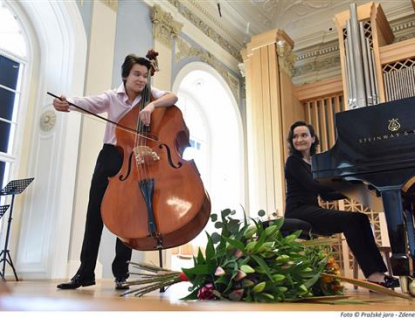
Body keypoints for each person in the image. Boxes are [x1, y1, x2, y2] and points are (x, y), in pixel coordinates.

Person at [53, 54, 178, 290]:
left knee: (128, 217)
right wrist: (66, 102)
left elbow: (173, 97)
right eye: (137, 74)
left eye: (145, 75)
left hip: (136, 160)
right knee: (95, 212)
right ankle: (85, 272)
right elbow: (87, 103)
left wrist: (151, 105)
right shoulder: (112, 97)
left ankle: (121, 273)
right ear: (125, 75)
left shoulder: (150, 96)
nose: (142, 79)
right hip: (111, 156)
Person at [284, 120, 399, 288]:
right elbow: (313, 186)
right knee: (351, 220)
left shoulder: (313, 163)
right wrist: (349, 185)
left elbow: (326, 195)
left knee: (360, 218)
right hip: (298, 210)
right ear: (292, 141)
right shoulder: (293, 161)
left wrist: (358, 190)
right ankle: (373, 275)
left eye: (304, 135)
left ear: (313, 138)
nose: (299, 139)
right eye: (295, 136)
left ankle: (378, 273)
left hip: (311, 209)